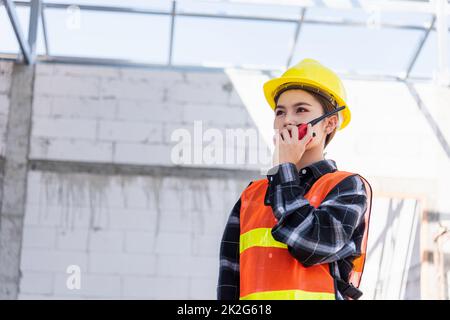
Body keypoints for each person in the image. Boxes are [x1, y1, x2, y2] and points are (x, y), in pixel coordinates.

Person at [217, 58, 373, 300]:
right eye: (280, 112)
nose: (287, 120)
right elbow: (230, 278)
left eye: (301, 110)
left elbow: (310, 246)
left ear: (330, 123)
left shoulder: (346, 187)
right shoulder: (251, 195)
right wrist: (283, 174)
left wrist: (284, 170)